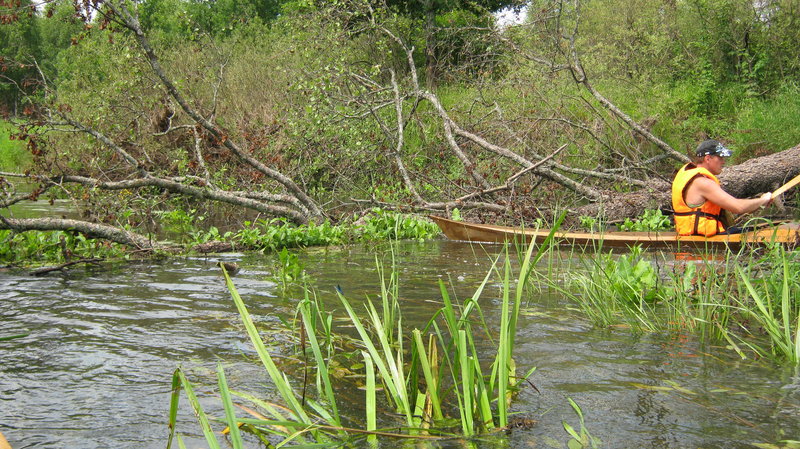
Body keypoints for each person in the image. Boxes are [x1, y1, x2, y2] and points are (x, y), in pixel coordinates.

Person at [672, 139, 772, 236]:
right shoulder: (703, 182)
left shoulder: (689, 174)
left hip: (690, 233)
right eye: (720, 158)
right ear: (708, 158)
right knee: (762, 233)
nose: (723, 162)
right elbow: (738, 207)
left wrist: (758, 204)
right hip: (701, 237)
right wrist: (763, 200)